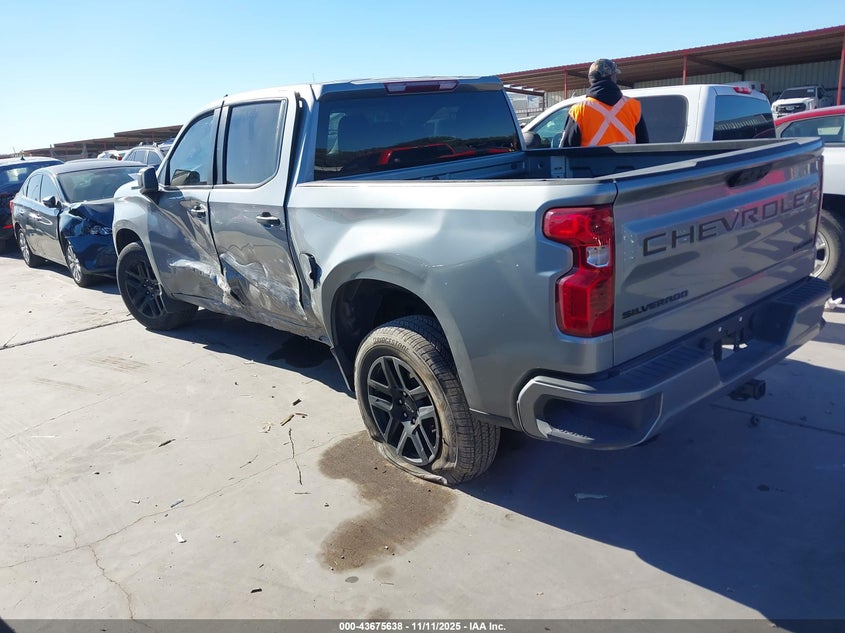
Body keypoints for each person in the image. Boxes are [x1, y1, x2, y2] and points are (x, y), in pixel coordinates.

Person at [560, 58, 649, 147]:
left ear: (591, 79)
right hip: (628, 157)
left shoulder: (578, 111)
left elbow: (567, 151)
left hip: (592, 157)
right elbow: (644, 147)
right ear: (612, 77)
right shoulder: (633, 106)